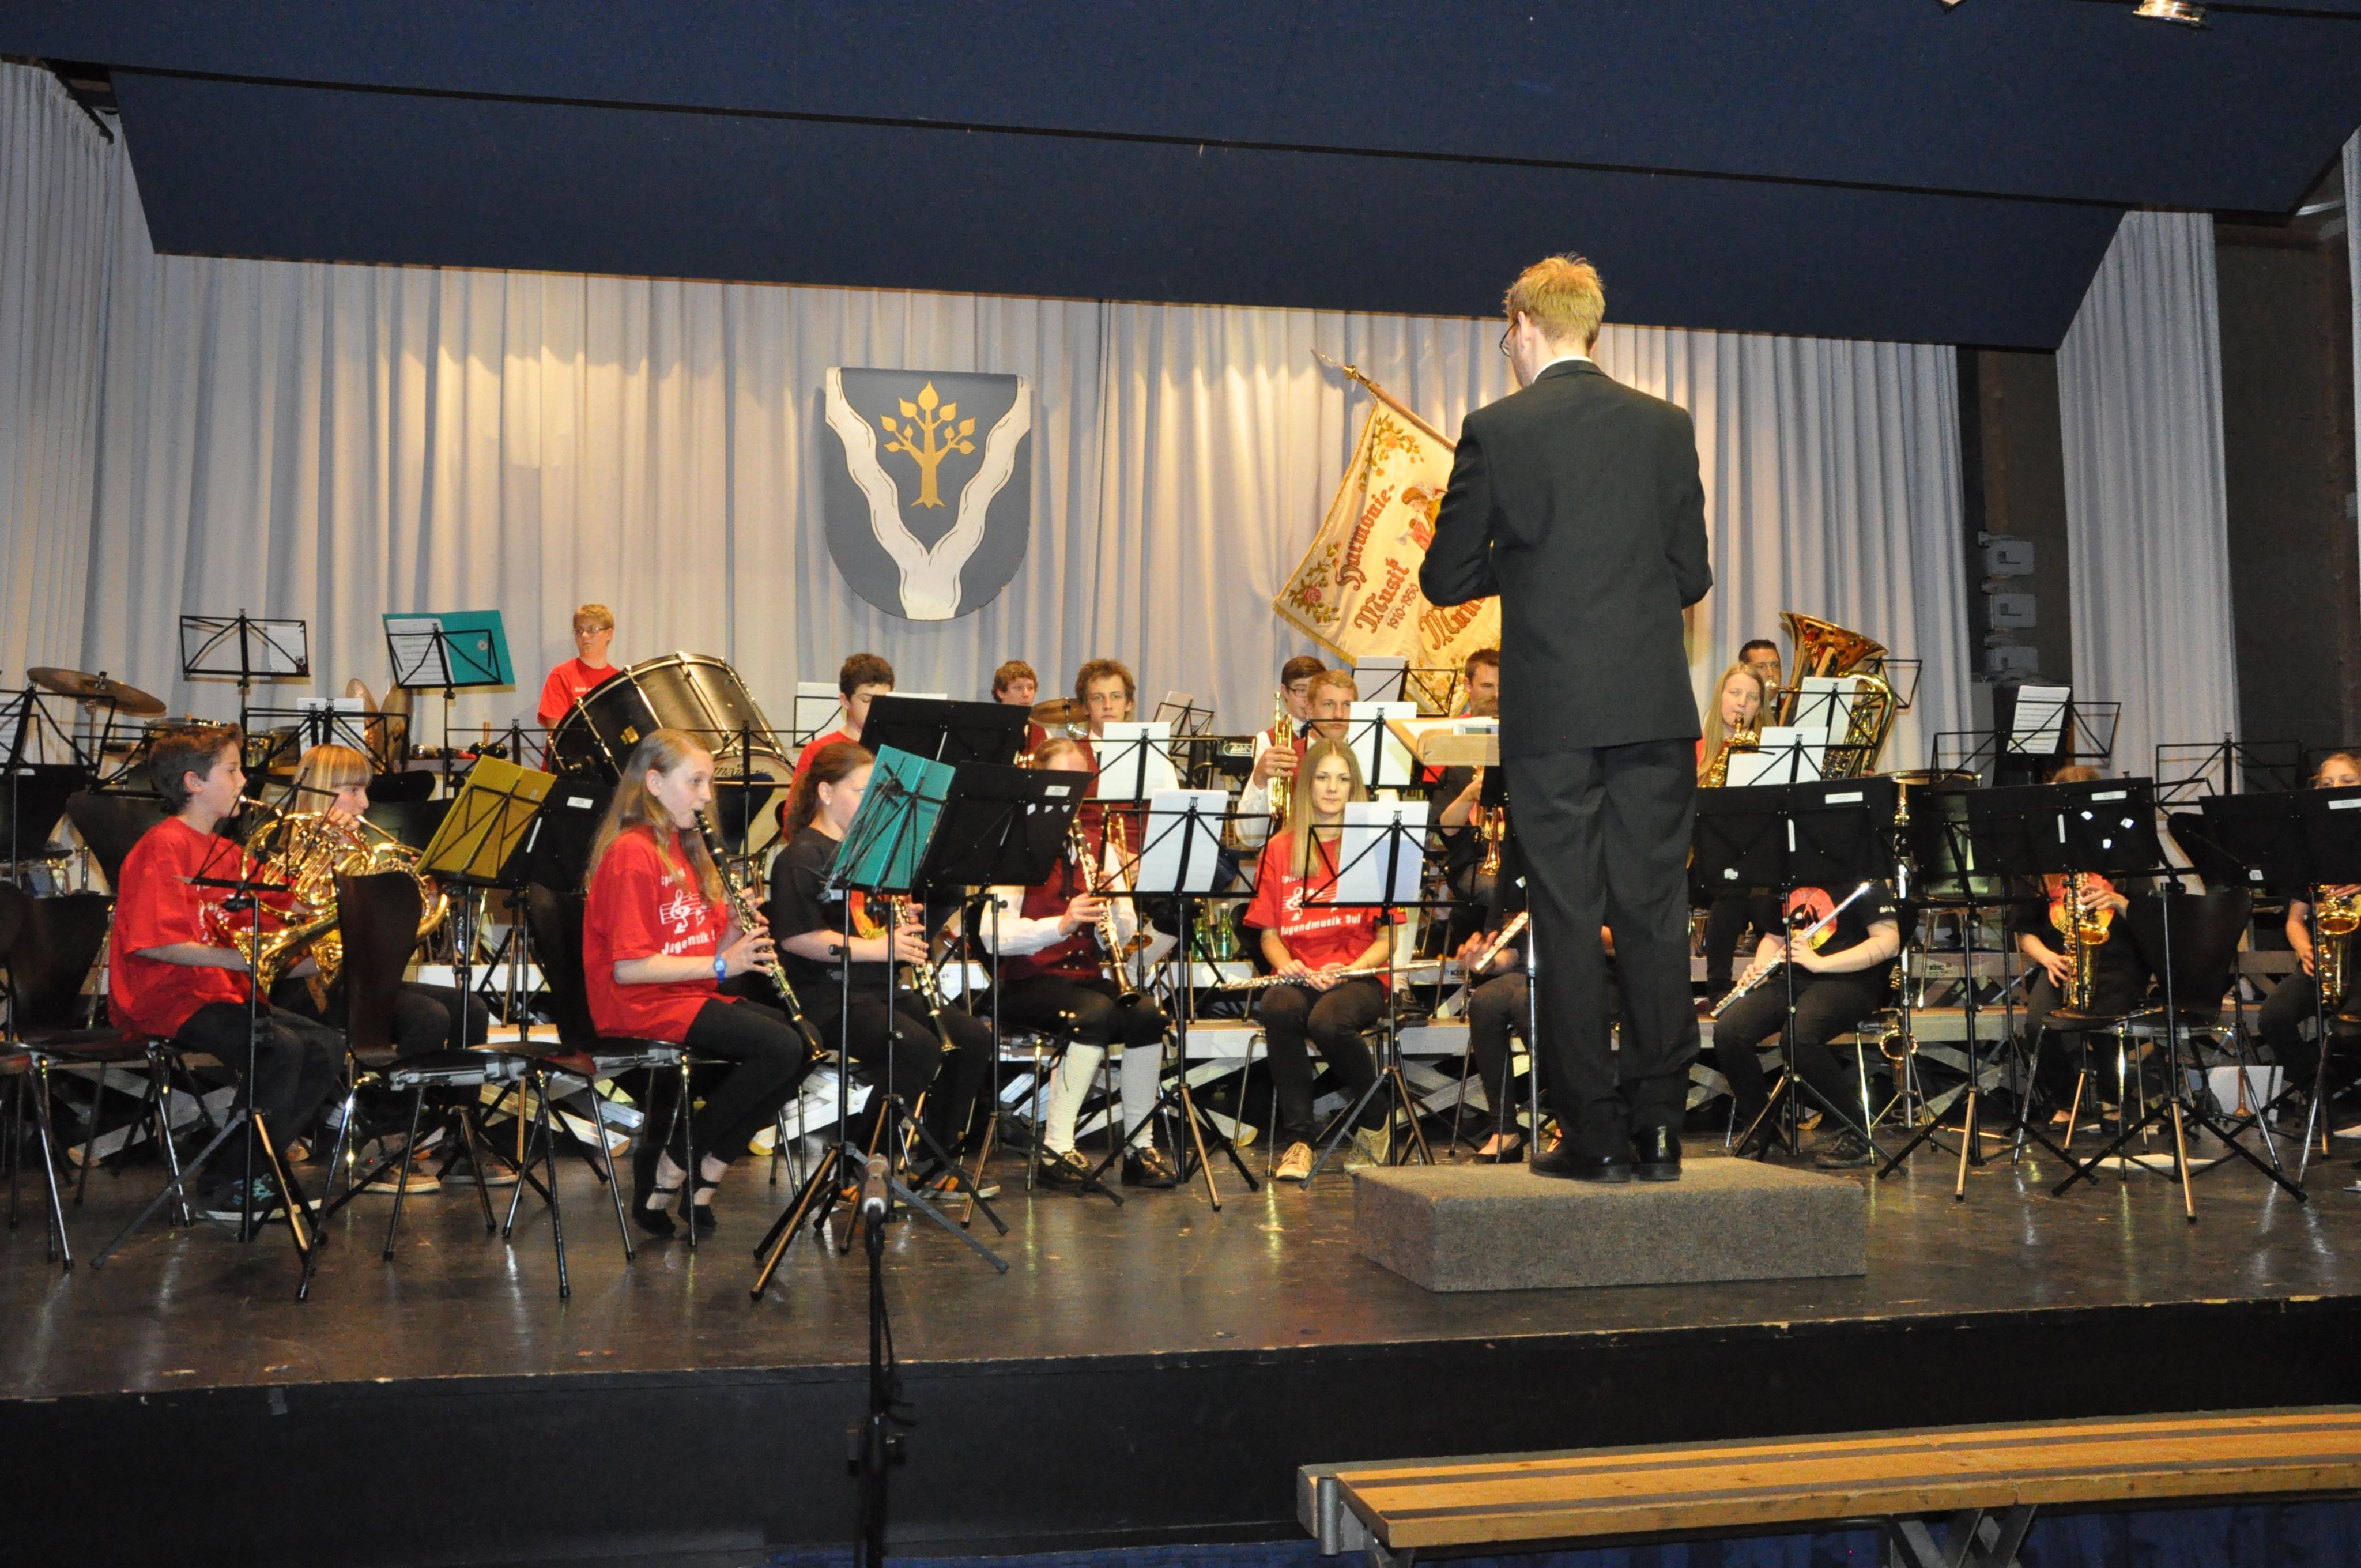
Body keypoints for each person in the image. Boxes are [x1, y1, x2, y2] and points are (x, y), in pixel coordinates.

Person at [1419, 253, 1713, 1183]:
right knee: (1655, 914)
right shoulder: (1666, 425)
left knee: (1568, 915)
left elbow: (1445, 577)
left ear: (1522, 325)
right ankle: (1660, 1125)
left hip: (1551, 714)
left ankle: (1593, 1132)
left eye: (1505, 334)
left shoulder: (1497, 429)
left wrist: (1529, 559)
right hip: (1652, 707)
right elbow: (1692, 575)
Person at [583, 728, 815, 1238]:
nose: (707, 796)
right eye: (696, 782)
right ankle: (679, 1158)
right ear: (654, 783)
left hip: (685, 995)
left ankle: (710, 1165)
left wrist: (733, 929)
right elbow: (629, 968)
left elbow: (703, 953)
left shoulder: (686, 848)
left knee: (805, 1044)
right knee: (779, 1047)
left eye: (708, 783)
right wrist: (723, 965)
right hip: (638, 1002)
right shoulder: (632, 854)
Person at [107, 725, 344, 1222]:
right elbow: (155, 943)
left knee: (326, 1046)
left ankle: (257, 1169)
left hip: (222, 995)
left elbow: (291, 908)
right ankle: (229, 1182)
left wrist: (343, 889)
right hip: (168, 998)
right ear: (193, 782)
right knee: (278, 1048)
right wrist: (243, 960)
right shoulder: (162, 846)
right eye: (232, 771)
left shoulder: (231, 854)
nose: (243, 781)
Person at [767, 741, 999, 1193]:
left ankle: (934, 1162)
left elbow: (870, 926)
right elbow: (797, 938)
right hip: (827, 994)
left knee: (971, 1038)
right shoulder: (802, 856)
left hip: (879, 990)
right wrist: (882, 948)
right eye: (861, 791)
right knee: (914, 1048)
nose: (873, 803)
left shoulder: (873, 855)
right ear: (826, 793)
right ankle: (861, 1163)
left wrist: (901, 923)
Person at [262, 742, 492, 1193]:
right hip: (306, 990)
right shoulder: (282, 857)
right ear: (321, 790)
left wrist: (410, 902)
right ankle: (385, 1142)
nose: (365, 803)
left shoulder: (360, 851)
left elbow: (383, 940)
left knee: (472, 1009)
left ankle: (456, 1138)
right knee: (428, 1017)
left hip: (360, 982)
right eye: (353, 790)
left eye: (364, 790)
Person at [976, 736, 1179, 1189]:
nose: (1073, 792)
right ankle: (1057, 1149)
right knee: (1095, 1014)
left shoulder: (1100, 844)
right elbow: (993, 936)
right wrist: (1062, 924)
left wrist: (1113, 905)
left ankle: (1139, 1148)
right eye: (1060, 780)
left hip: (1086, 977)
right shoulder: (1014, 844)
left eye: (1080, 781)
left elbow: (1121, 938)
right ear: (1038, 782)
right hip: (1026, 980)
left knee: (1147, 1015)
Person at [1242, 738, 1401, 1182]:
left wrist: (1352, 969)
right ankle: (1300, 1141)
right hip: (1301, 974)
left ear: (1355, 787)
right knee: (1278, 1006)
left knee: (1328, 1022)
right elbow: (1269, 934)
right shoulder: (1281, 848)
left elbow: (1388, 937)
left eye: (1343, 779)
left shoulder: (1373, 845)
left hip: (1360, 974)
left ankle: (1376, 1119)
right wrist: (1286, 965)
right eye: (1323, 777)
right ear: (1307, 785)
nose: (1332, 788)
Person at [1709, 881, 1902, 1169]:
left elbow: (1889, 942)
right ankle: (1761, 1126)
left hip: (1851, 979)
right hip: (1795, 976)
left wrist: (1820, 963)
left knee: (1799, 1038)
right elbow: (1775, 937)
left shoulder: (1860, 873)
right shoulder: (1786, 876)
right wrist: (1761, 969)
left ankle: (1857, 1131)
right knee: (1730, 1031)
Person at [2011, 764, 2148, 1125]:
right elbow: (2024, 930)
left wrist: (2118, 901)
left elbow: (2151, 919)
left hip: (2118, 962)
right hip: (2060, 963)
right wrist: (2047, 958)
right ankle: (2065, 1099)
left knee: (2106, 1018)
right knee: (2037, 1025)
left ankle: (2113, 1099)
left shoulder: (2127, 855)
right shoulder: (2039, 863)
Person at [2257, 752, 2361, 1116]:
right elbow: (2294, 920)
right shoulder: (2310, 846)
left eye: (2348, 782)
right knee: (2274, 1017)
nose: (2336, 789)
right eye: (2327, 784)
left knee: (2350, 1029)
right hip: (2328, 956)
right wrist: (2304, 949)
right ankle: (2324, 1094)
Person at [1233, 655, 1325, 850]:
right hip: (1286, 846)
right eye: (1301, 690)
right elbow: (1252, 837)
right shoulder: (1268, 739)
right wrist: (1260, 777)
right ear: (1285, 691)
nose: (1308, 699)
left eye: (1314, 690)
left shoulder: (1339, 736)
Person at [793, 654, 894, 784]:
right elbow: (801, 798)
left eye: (884, 700)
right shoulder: (817, 750)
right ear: (845, 701)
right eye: (866, 700)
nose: (877, 708)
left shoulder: (896, 748)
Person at [536, 604, 620, 728]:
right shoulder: (561, 675)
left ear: (609, 634)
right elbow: (556, 733)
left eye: (592, 630)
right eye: (579, 631)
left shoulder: (618, 679)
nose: (584, 635)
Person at [994, 659, 1050, 757]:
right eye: (1018, 688)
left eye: (1030, 688)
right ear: (1001, 693)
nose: (1026, 694)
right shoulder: (988, 730)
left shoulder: (1044, 735)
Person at [1739, 638, 1783, 707]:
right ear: (1745, 672)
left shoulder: (1794, 709)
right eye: (1761, 667)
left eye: (1775, 665)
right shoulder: (1734, 709)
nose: (1771, 674)